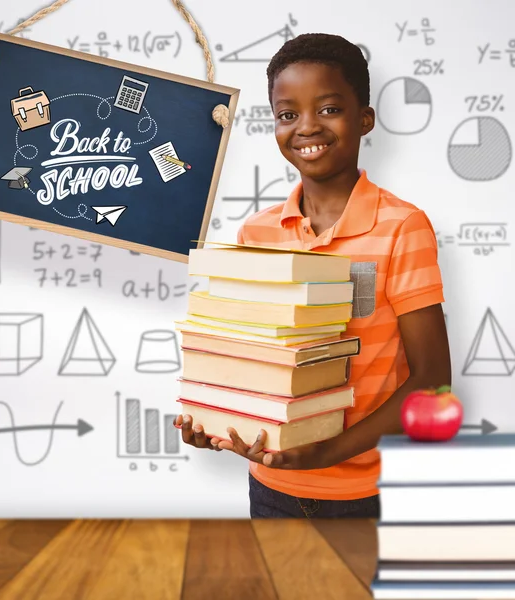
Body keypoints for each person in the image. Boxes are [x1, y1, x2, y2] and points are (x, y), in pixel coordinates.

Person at [174, 33, 451, 519]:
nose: (306, 127)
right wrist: (219, 423)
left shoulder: (403, 227)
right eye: (288, 114)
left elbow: (431, 379)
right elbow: (254, 356)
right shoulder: (256, 231)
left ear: (364, 118)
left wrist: (325, 454)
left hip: (365, 494)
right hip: (271, 485)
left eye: (328, 109)